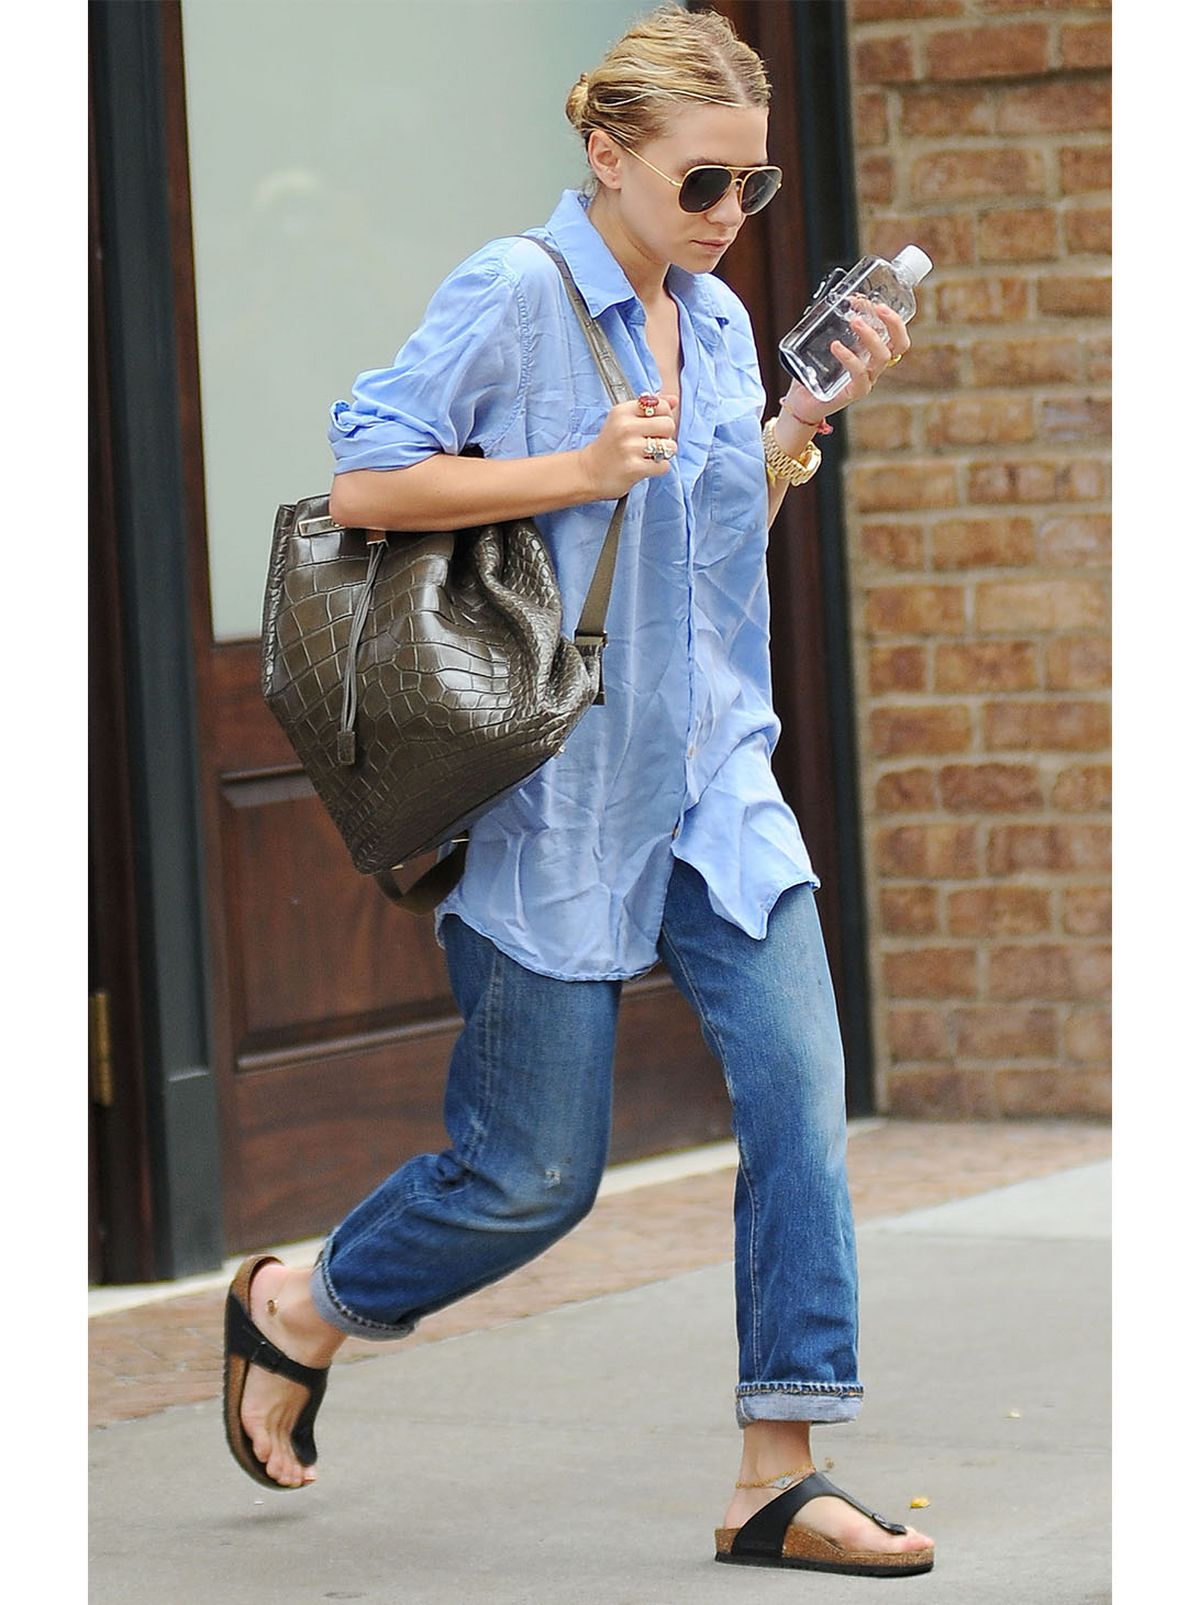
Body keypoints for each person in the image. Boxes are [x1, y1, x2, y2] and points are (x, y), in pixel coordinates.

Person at [223, 4, 934, 1579]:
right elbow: (360, 479)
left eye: (752, 189)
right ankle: (299, 1302)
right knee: (531, 1180)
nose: (730, 222)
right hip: (558, 795)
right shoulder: (514, 292)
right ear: (606, 157)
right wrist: (573, 470)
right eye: (701, 186)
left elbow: (695, 544)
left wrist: (799, 421)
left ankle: (779, 1465)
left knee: (801, 1099)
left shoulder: (730, 321)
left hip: (712, 776)